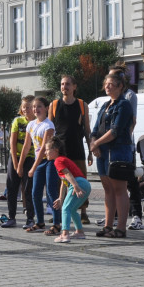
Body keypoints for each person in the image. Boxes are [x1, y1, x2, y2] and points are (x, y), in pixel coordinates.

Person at [90, 73, 135, 238]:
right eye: (106, 84)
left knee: (119, 189)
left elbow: (115, 131)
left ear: (120, 86)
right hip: (102, 151)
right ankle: (108, 226)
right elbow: (95, 129)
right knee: (108, 189)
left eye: (111, 84)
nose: (107, 87)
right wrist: (93, 144)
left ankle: (121, 228)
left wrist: (97, 143)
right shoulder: (105, 105)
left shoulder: (124, 105)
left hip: (118, 151)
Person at [49, 75, 93, 224]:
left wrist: (91, 151)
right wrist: (49, 151)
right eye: (62, 84)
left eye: (67, 84)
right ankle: (60, 211)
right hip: (60, 152)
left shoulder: (82, 105)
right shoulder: (54, 105)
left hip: (77, 149)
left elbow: (87, 130)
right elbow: (50, 131)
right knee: (61, 182)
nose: (64, 87)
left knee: (80, 180)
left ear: (74, 87)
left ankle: (84, 212)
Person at [18, 97, 60, 234]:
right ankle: (40, 222)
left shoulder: (48, 126)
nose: (36, 109)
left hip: (49, 161)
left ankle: (57, 223)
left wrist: (33, 167)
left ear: (47, 108)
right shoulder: (31, 125)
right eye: (34, 107)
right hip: (38, 162)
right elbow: (26, 146)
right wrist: (20, 165)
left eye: (39, 106)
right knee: (35, 192)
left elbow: (43, 149)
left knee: (51, 192)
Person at [48, 137, 90, 243]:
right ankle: (79, 232)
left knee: (65, 208)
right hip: (84, 184)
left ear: (56, 150)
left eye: (47, 149)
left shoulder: (58, 161)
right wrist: (60, 198)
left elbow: (67, 174)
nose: (45, 152)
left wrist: (75, 186)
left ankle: (64, 234)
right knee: (71, 210)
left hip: (78, 183)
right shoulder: (62, 160)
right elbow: (64, 181)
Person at [2, 96, 35, 229]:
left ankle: (30, 218)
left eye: (29, 107)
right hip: (15, 156)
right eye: (24, 107)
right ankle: (11, 217)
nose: (26, 109)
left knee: (28, 188)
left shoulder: (36, 122)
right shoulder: (17, 120)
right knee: (12, 187)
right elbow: (12, 143)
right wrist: (15, 164)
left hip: (30, 157)